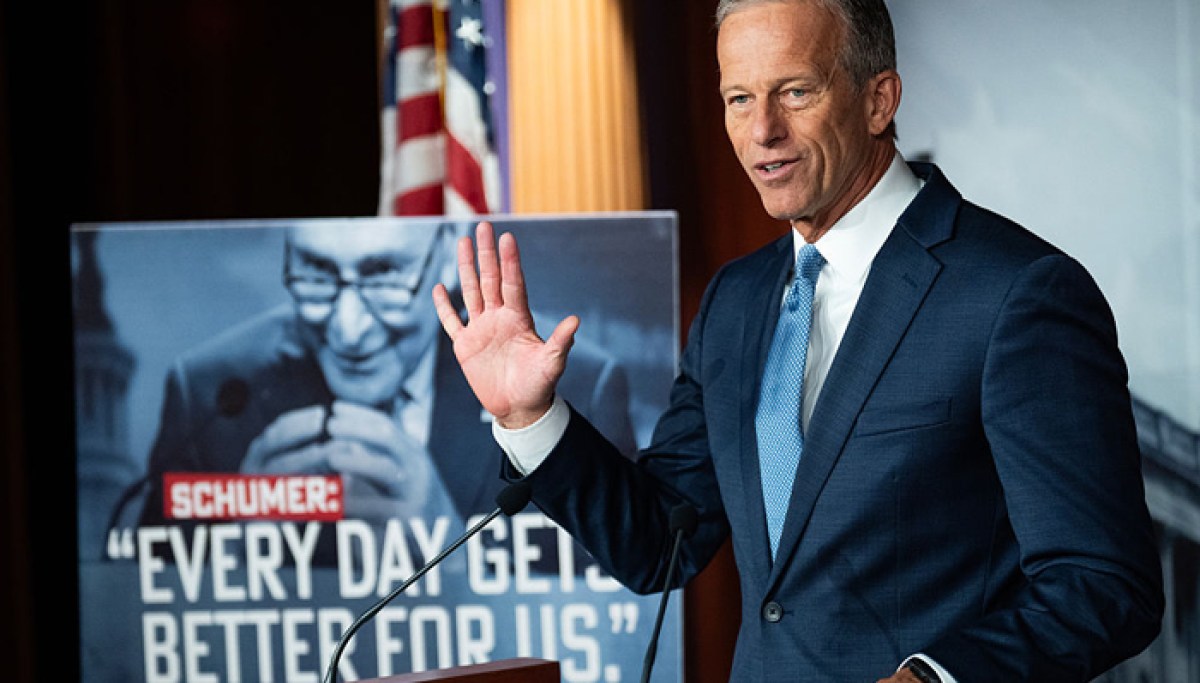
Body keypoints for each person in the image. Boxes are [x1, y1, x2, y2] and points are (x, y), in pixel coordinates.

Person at [432, 1, 1165, 681]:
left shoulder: (1017, 292)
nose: (762, 131)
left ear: (879, 100)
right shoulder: (736, 300)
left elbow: (1103, 582)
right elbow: (660, 540)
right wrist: (531, 417)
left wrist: (936, 677)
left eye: (795, 92)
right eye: (738, 99)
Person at [136, 220, 636, 554]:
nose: (348, 329)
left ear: (447, 250)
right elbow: (146, 594)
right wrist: (236, 547)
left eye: (385, 277)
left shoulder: (577, 384)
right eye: (317, 274)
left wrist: (447, 545)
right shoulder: (208, 391)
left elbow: (618, 595)